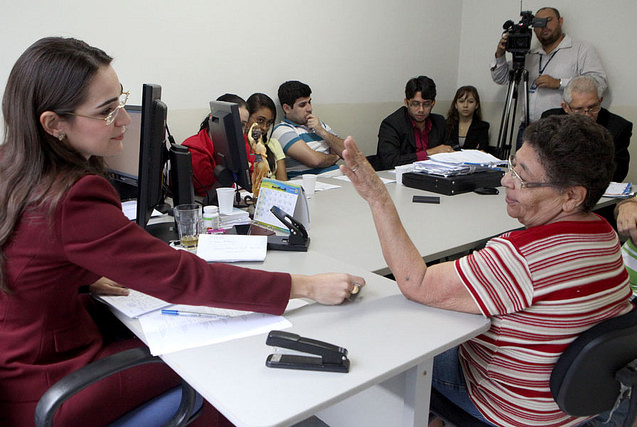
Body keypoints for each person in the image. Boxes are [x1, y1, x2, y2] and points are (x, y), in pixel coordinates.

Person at [0, 37, 365, 427]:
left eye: (121, 101)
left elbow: (34, 256)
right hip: (51, 381)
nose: (124, 121)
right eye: (107, 112)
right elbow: (181, 277)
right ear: (54, 124)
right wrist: (306, 286)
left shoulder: (13, 165)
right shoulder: (71, 195)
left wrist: (86, 276)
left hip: (20, 364)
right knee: (224, 369)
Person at [339, 114, 632, 426]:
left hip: (512, 407)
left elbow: (416, 282)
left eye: (523, 177)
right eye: (512, 165)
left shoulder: (519, 257)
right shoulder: (604, 232)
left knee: (389, 340)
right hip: (571, 404)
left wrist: (377, 196)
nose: (507, 181)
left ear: (572, 196)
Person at [490, 7, 607, 148]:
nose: (544, 26)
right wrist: (500, 54)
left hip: (562, 129)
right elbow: (501, 78)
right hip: (528, 129)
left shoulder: (581, 50)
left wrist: (559, 83)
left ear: (560, 21)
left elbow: (599, 82)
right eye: (538, 23)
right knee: (523, 169)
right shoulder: (529, 54)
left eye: (548, 20)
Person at [542, 75, 632, 183]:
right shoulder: (550, 120)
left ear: (601, 100)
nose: (587, 115)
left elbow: (617, 173)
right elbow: (541, 159)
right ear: (565, 107)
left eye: (593, 107)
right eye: (579, 109)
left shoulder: (618, 128)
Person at [376, 75, 453, 170]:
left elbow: (452, 150)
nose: (421, 109)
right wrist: (430, 153)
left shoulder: (439, 122)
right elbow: (389, 162)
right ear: (406, 102)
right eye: (415, 104)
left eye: (426, 104)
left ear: (433, 103)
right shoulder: (391, 124)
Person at [272, 80, 345, 178]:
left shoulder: (319, 125)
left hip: (340, 179)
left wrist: (323, 132)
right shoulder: (282, 130)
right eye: (302, 105)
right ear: (287, 108)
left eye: (309, 102)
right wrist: (336, 156)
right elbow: (315, 161)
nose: (309, 108)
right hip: (313, 185)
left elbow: (346, 152)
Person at [182, 94, 250, 197]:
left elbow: (252, 182)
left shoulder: (243, 144)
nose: (237, 129)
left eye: (242, 125)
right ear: (213, 119)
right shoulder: (195, 149)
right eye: (233, 122)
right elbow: (206, 192)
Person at [444, 85, 490, 151]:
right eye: (461, 101)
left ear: (476, 105)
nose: (465, 105)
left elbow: (482, 151)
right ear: (456, 105)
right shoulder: (446, 124)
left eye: (470, 102)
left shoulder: (482, 127)